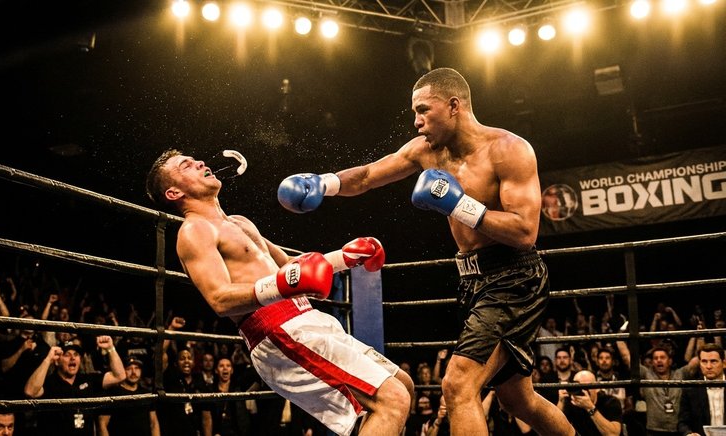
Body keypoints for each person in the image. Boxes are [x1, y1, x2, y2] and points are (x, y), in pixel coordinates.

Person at [276, 67, 574, 435]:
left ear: (453, 106)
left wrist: (457, 204)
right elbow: (369, 175)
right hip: (473, 280)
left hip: (513, 278)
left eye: (422, 111)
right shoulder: (427, 151)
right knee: (517, 398)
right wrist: (325, 183)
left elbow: (525, 232)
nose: (416, 122)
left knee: (458, 385)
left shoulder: (508, 150)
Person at [145, 149, 413, 436]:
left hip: (306, 319)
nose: (199, 162)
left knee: (403, 384)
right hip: (277, 332)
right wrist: (282, 285)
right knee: (391, 400)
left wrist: (346, 256)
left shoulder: (239, 222)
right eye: (187, 165)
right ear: (173, 193)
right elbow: (219, 298)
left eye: (194, 159)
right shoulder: (194, 231)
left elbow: (287, 266)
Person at [23, 337, 126, 436]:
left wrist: (110, 348)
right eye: (67, 355)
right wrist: (48, 359)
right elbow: (30, 391)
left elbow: (119, 376)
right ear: (57, 361)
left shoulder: (88, 380)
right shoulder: (49, 383)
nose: (72, 358)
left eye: (76, 354)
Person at [98, 357, 160, 436]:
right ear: (123, 371)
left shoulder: (147, 394)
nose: (133, 372)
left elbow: (154, 423)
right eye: (129, 369)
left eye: (137, 368)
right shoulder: (113, 393)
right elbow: (102, 424)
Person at [678, 343, 725, 436]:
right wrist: (689, 434)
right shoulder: (691, 389)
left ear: (724, 363)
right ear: (699, 364)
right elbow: (682, 423)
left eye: (713, 361)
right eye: (704, 361)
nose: (708, 366)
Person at [557, 370, 622, 436]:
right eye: (579, 387)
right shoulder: (572, 401)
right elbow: (555, 429)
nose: (583, 391)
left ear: (597, 388)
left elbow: (613, 434)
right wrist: (561, 402)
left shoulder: (611, 402)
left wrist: (590, 408)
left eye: (586, 387)